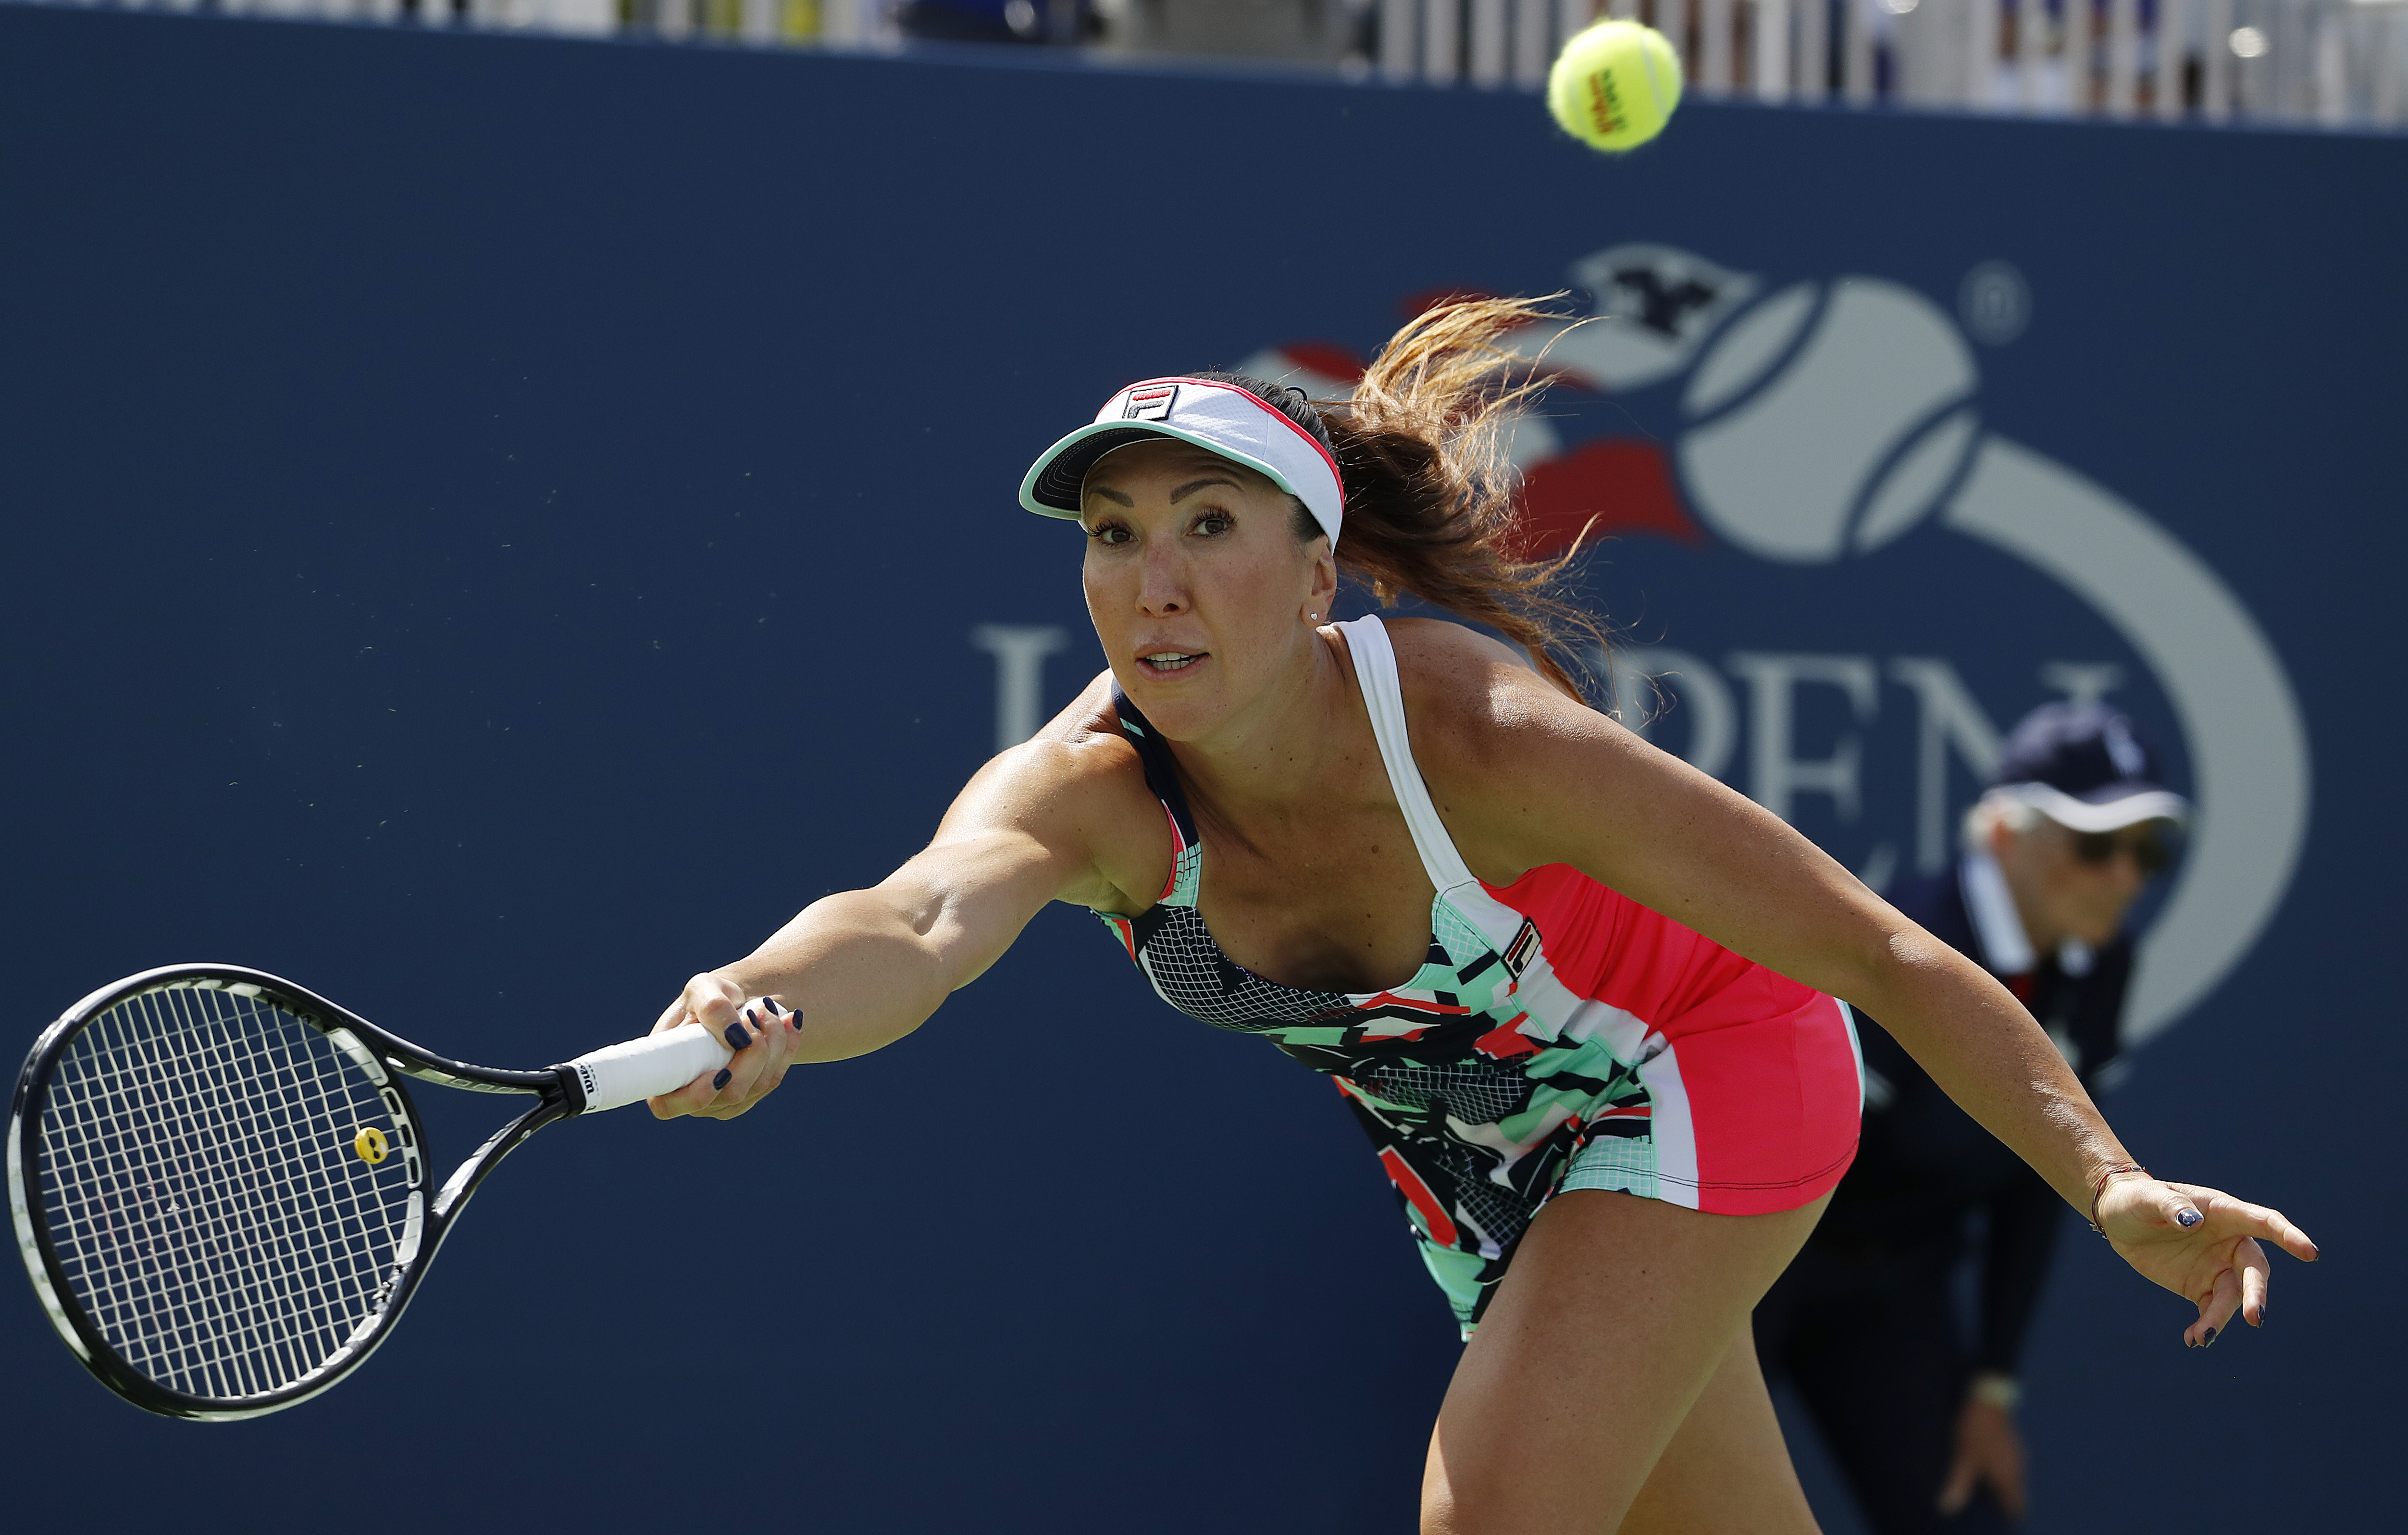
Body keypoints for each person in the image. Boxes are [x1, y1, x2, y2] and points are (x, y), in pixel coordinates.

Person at [642, 299, 2314, 1535]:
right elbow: (917, 920)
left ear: (1315, 577)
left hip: (1710, 1067)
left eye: (1207, 527)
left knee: (1490, 1518)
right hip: (1496, 1170)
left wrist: (2107, 1180)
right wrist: (753, 994)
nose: (1150, 579)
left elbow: (1876, 949)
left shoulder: (1478, 738)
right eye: (1112, 534)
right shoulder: (1085, 790)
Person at [1754, 702, 2190, 1534]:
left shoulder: (2102, 963)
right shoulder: (1900, 947)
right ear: (2000, 833)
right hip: (1757, 1260)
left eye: (2148, 850)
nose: (2125, 875)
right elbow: (1789, 1162)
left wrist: (1991, 1383)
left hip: (1896, 1291)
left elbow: (2039, 1175)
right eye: (2096, 844)